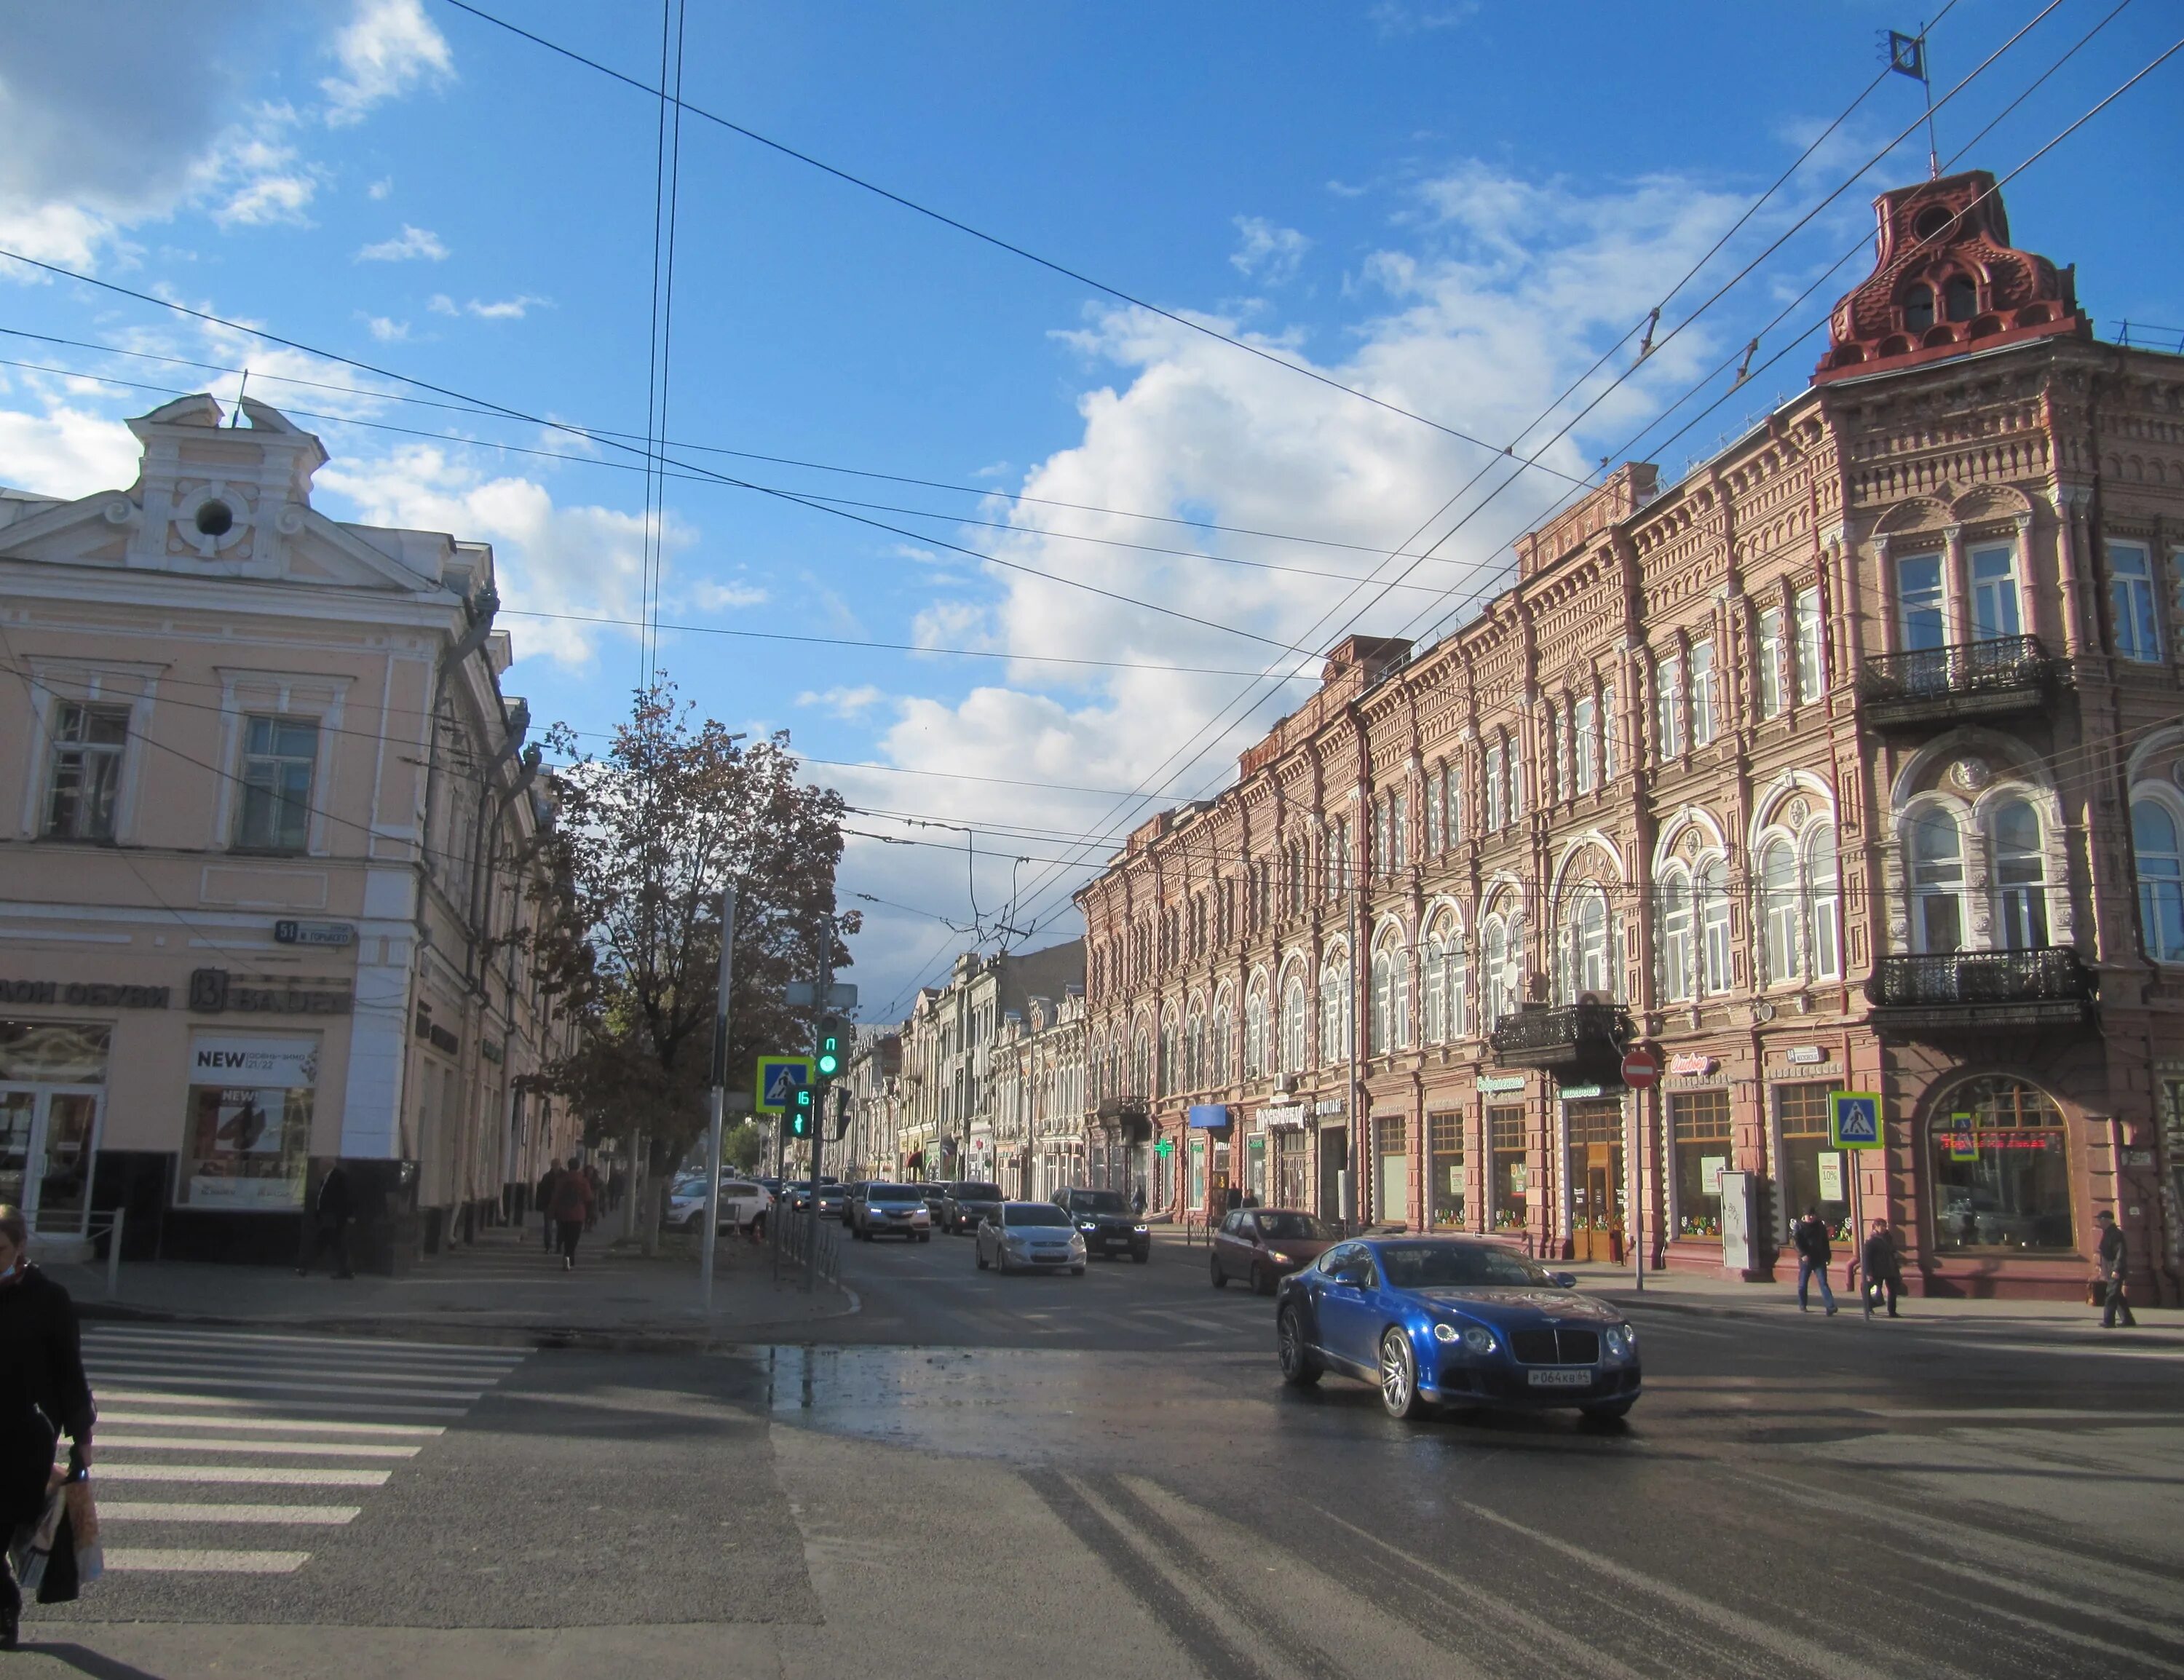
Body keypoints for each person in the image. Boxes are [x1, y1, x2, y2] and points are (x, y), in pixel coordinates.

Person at [0, 1204, 96, 1647]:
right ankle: (4, 1600)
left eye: (0, 1248)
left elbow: (69, 1372)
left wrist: (82, 1438)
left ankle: (4, 1606)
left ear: (20, 1248)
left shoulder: (48, 1299)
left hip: (25, 1436)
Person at [296, 1162, 355, 1279]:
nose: (319, 1167)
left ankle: (304, 1266)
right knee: (335, 1244)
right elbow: (322, 1197)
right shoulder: (325, 1179)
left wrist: (349, 1214)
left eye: (321, 1165)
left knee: (324, 1242)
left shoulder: (339, 1177)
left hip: (333, 1216)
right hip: (327, 1216)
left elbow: (346, 1196)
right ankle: (346, 1271)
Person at [550, 1156, 594, 1270]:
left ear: (568, 1166)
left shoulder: (561, 1180)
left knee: (565, 1236)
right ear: (578, 1167)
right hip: (578, 1214)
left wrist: (553, 1211)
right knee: (573, 1238)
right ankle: (569, 1257)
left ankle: (567, 1257)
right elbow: (588, 1197)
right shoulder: (583, 1181)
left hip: (563, 1213)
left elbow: (555, 1197)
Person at [1789, 1207, 1837, 1315]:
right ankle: (1803, 1304)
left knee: (1823, 1283)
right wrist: (1803, 1254)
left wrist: (1828, 1256)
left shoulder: (1820, 1226)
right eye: (1809, 1215)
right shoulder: (1799, 1226)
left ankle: (1831, 1307)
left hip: (1819, 1258)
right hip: (1806, 1259)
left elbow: (1825, 1242)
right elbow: (1796, 1243)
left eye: (1813, 1215)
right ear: (1804, 1216)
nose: (1811, 1217)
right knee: (1803, 1284)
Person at [1853, 1218, 1903, 1318]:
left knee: (1892, 1291)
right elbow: (1867, 1257)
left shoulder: (1888, 1237)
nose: (1884, 1228)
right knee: (1868, 1288)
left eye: (1885, 1226)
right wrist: (1869, 1272)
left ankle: (1892, 1312)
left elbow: (1892, 1250)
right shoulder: (1871, 1240)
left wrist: (1896, 1258)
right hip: (1877, 1270)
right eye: (1882, 1226)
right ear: (1875, 1227)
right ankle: (1869, 1305)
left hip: (1890, 1268)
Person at [2095, 1209, 2136, 1328]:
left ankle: (2108, 1321)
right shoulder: (2108, 1232)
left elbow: (2120, 1253)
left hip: (2115, 1270)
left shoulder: (2115, 1234)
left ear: (2106, 1220)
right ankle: (2128, 1320)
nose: (2099, 1222)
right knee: (2117, 1295)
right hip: (2110, 1269)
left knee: (2111, 1295)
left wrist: (2116, 1270)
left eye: (2100, 1219)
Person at [535, 1161, 563, 1252]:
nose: (555, 1167)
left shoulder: (564, 1176)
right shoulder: (547, 1177)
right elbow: (541, 1191)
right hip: (549, 1204)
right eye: (554, 1165)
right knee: (548, 1226)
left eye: (557, 1165)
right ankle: (548, 1245)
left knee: (560, 1226)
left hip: (559, 1205)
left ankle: (558, 1245)